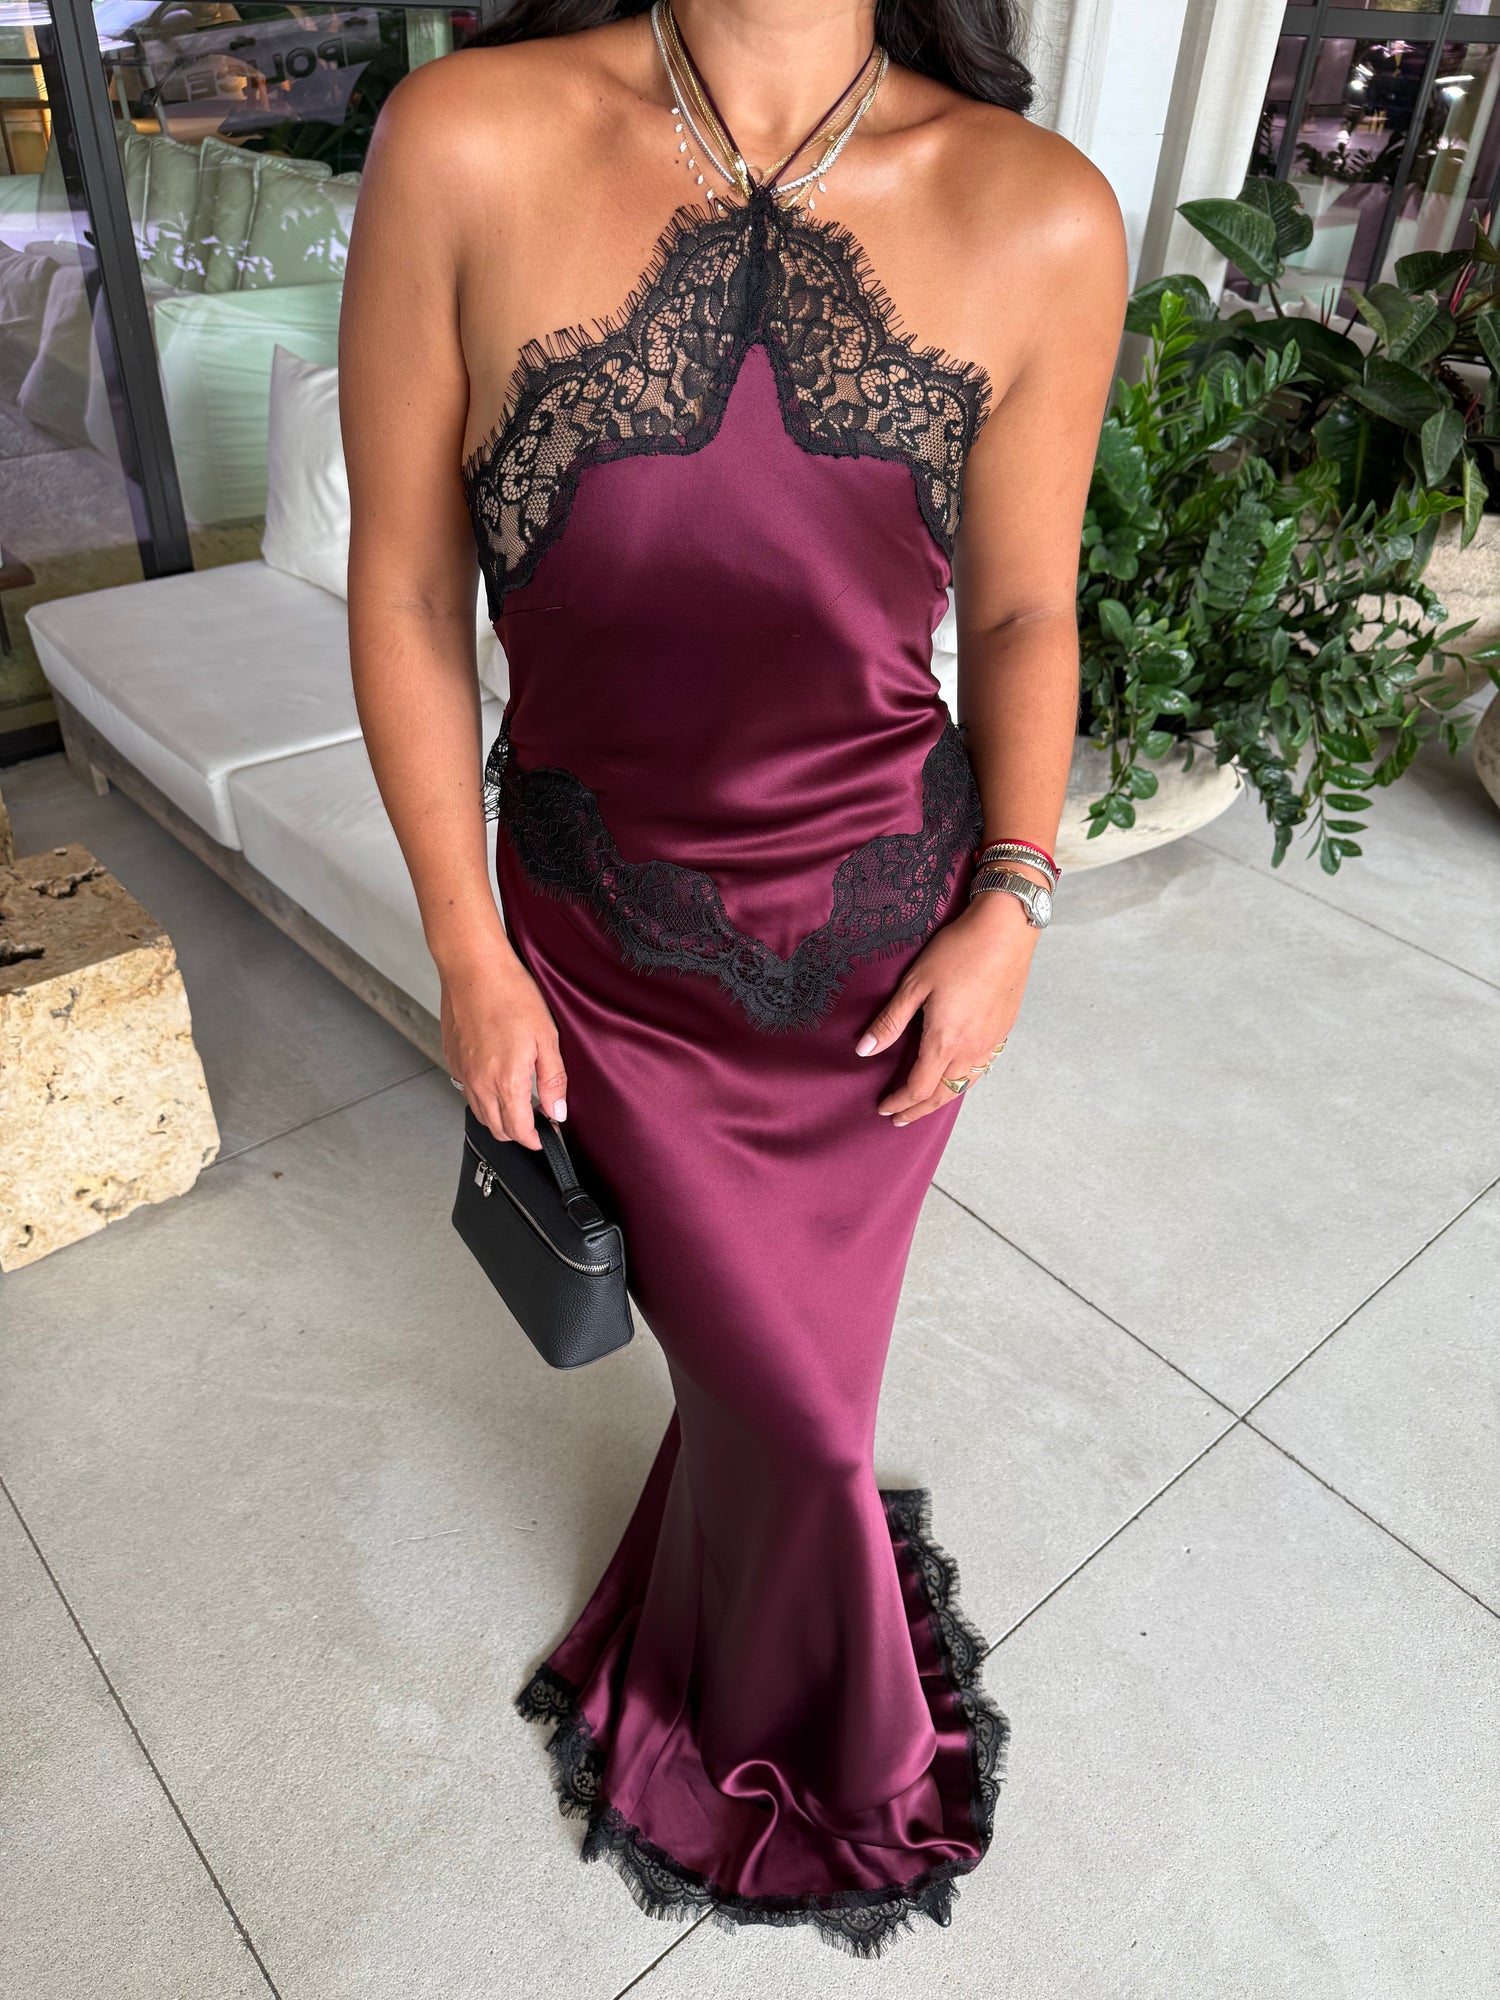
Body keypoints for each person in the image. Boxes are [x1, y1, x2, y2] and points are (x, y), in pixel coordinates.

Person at [339, 0, 1126, 1956]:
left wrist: (1016, 902)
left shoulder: (1038, 207)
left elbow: (1027, 606)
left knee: (801, 1403)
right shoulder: (463, 138)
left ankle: (781, 1700)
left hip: (886, 953)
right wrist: (464, 946)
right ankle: (802, 1730)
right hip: (604, 949)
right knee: (786, 1404)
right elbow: (409, 587)